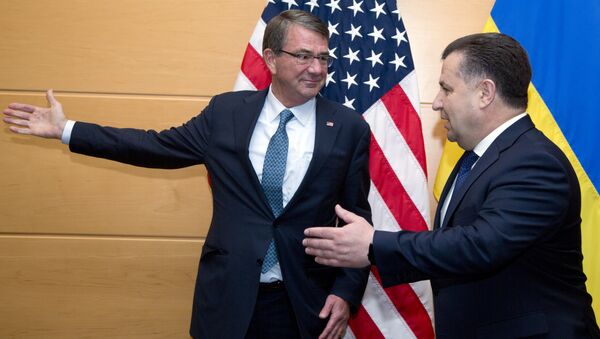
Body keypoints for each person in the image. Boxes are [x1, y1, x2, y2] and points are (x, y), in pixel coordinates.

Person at [3, 10, 371, 339]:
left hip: (304, 305)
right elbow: (153, 146)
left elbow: (358, 219)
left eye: (323, 58)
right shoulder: (227, 113)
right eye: (304, 56)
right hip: (227, 300)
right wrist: (67, 129)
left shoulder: (348, 127)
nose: (317, 69)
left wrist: (346, 292)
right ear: (271, 59)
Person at [303, 33, 600, 338]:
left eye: (446, 88)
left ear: (485, 93)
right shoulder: (478, 158)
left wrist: (373, 245)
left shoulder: (534, 162)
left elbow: (480, 245)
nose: (437, 103)